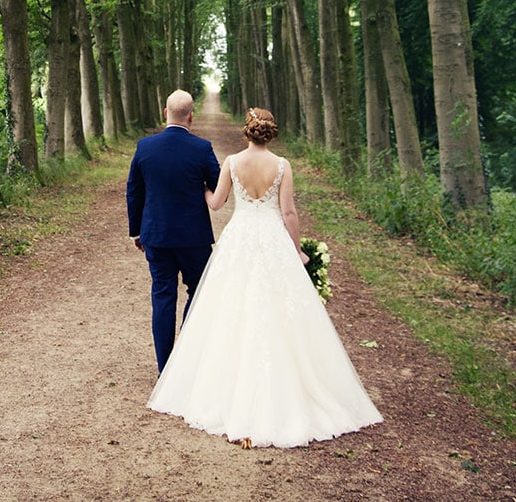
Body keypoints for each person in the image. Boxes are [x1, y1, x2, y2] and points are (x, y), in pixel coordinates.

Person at [147, 107, 383, 448]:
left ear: (247, 132)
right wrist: (298, 250)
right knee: (280, 309)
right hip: (272, 238)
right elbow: (288, 211)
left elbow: (216, 203)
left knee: (231, 308)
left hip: (240, 238)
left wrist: (201, 191)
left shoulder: (231, 162)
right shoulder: (283, 165)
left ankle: (223, 386)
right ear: (271, 133)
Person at [126, 89, 221, 372]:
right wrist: (202, 187)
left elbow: (134, 191)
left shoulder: (145, 147)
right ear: (191, 116)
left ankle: (165, 367)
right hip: (194, 239)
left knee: (163, 296)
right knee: (198, 291)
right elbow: (219, 189)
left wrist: (137, 232)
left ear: (165, 113)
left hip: (156, 235)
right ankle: (187, 360)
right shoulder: (202, 149)